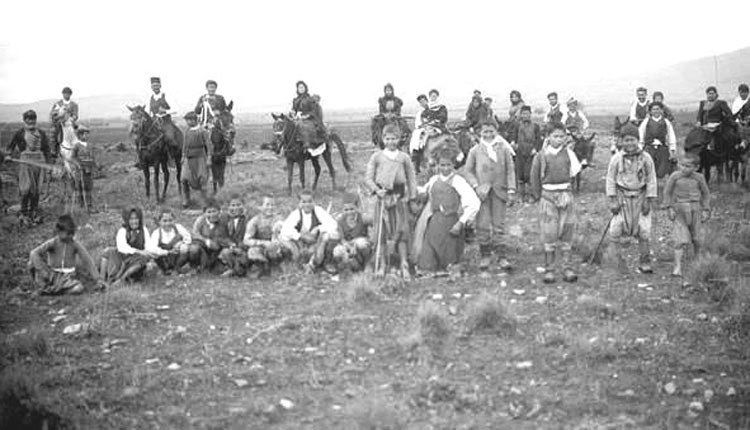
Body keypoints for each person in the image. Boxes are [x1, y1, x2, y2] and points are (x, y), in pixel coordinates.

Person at [414, 144, 480, 274]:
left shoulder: (458, 181)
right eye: (442, 165)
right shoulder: (433, 180)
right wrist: (413, 189)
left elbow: (473, 203)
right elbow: (424, 191)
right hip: (435, 221)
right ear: (437, 165)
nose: (445, 168)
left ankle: (450, 266)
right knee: (427, 259)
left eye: (448, 165)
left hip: (451, 222)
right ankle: (429, 266)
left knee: (449, 258)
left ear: (453, 165)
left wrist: (461, 223)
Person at [529, 123, 582, 283]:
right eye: (555, 136)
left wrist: (566, 192)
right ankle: (549, 269)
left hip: (565, 195)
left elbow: (573, 174)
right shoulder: (541, 156)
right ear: (548, 137)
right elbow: (534, 177)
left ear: (565, 137)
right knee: (549, 232)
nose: (558, 139)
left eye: (561, 136)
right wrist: (539, 196)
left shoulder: (569, 154)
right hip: (547, 197)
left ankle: (567, 267)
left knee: (567, 230)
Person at [365, 124, 418, 279]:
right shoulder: (377, 157)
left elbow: (411, 178)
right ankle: (382, 264)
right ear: (383, 139)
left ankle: (403, 263)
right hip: (382, 199)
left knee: (401, 231)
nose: (391, 142)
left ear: (399, 139)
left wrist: (412, 196)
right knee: (382, 232)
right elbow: (368, 177)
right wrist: (376, 189)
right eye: (388, 138)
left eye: (394, 138)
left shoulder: (404, 157)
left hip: (399, 198)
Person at [464, 120, 516, 271]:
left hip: (500, 191)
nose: (488, 134)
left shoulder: (504, 149)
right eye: (485, 132)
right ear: (480, 133)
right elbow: (468, 171)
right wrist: (476, 186)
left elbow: (510, 170)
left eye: (491, 131)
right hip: (482, 194)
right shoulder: (475, 150)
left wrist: (511, 189)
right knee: (482, 225)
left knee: (499, 225)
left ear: (496, 132)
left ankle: (501, 256)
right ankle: (485, 255)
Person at [606, 123, 657, 274]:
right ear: (621, 141)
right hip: (622, 197)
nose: (629, 143)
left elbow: (651, 179)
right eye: (626, 140)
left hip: (641, 196)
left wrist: (649, 200)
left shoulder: (646, 158)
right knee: (616, 229)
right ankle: (617, 260)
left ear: (638, 140)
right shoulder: (616, 158)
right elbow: (610, 179)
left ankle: (645, 261)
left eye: (633, 140)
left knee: (644, 230)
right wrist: (613, 200)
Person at [28, 214, 103, 295]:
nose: (70, 236)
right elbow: (34, 253)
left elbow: (87, 260)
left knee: (78, 288)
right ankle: (44, 288)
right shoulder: (53, 242)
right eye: (68, 233)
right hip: (51, 276)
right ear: (59, 232)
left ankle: (55, 291)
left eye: (72, 233)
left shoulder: (74, 244)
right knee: (31, 264)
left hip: (67, 278)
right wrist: (42, 270)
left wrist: (97, 278)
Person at [663, 153, 710, 278]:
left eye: (688, 166)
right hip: (680, 210)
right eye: (682, 165)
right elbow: (667, 192)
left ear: (696, 167)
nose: (684, 168)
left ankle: (697, 261)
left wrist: (706, 209)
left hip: (696, 209)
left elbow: (705, 194)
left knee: (697, 238)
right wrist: (669, 208)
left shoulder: (699, 177)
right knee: (679, 239)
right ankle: (677, 266)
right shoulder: (675, 176)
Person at [279, 189, 339, 273]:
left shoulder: (318, 210)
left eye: (310, 201)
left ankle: (326, 262)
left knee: (332, 234)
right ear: (300, 203)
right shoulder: (296, 213)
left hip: (316, 243)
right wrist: (300, 236)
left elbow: (333, 224)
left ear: (314, 202)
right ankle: (293, 261)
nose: (307, 204)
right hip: (301, 244)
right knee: (283, 237)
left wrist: (318, 228)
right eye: (304, 202)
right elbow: (285, 230)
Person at [7, 110, 51, 223]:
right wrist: (8, 155)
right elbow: (11, 147)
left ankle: (34, 212)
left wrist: (49, 164)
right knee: (26, 188)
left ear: (35, 120)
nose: (31, 121)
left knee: (36, 190)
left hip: (39, 163)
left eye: (33, 119)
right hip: (25, 163)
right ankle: (23, 213)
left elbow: (46, 149)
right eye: (28, 119)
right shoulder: (20, 133)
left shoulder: (41, 133)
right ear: (24, 120)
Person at [100, 207, 153, 286]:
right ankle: (101, 280)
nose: (134, 221)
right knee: (108, 251)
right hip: (124, 257)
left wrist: (144, 253)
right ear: (126, 220)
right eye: (131, 219)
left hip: (137, 259)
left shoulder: (143, 230)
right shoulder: (122, 231)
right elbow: (122, 247)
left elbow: (148, 247)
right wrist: (138, 251)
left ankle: (121, 280)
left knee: (143, 259)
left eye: (136, 219)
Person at [147, 208, 200, 275]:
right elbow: (151, 248)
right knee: (153, 253)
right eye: (165, 221)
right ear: (159, 222)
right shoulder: (157, 233)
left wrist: (181, 244)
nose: (168, 223)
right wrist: (167, 252)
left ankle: (179, 267)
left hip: (177, 256)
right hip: (165, 257)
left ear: (174, 220)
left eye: (170, 220)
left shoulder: (178, 227)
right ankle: (164, 269)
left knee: (189, 248)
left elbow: (188, 237)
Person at [244, 194, 285, 278]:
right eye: (267, 205)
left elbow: (282, 234)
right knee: (253, 251)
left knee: (278, 248)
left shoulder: (279, 219)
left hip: (276, 247)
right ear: (260, 207)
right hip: (261, 247)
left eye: (272, 205)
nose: (270, 207)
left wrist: (276, 240)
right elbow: (246, 240)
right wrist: (262, 243)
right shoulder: (255, 220)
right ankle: (261, 266)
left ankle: (275, 267)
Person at [332, 193, 372, 273]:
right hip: (347, 244)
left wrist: (355, 245)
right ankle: (347, 266)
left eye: (352, 209)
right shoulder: (340, 220)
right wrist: (348, 247)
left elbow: (374, 226)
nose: (349, 212)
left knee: (361, 243)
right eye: (346, 210)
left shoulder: (363, 218)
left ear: (357, 208)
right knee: (337, 251)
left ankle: (368, 263)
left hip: (360, 243)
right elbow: (342, 238)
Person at [510, 106, 543, 203]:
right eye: (523, 113)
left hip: (531, 152)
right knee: (520, 173)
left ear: (530, 114)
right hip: (520, 151)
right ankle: (521, 196)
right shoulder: (517, 125)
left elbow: (538, 140)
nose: (525, 116)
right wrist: (513, 142)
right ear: (520, 115)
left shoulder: (536, 126)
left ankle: (532, 195)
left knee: (530, 173)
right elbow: (514, 136)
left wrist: (535, 149)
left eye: (527, 113)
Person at [639, 101, 677, 184]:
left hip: (662, 148)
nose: (656, 111)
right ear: (650, 111)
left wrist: (672, 150)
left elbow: (671, 137)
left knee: (661, 171)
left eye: (657, 109)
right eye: (653, 109)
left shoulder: (666, 122)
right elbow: (641, 136)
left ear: (661, 110)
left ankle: (659, 184)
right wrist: (640, 149)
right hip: (649, 148)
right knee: (648, 168)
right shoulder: (646, 122)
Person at [181, 112, 212, 208]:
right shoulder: (187, 131)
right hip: (189, 159)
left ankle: (204, 201)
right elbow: (185, 145)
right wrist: (183, 156)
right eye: (187, 120)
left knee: (202, 179)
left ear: (194, 120)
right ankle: (186, 199)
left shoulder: (202, 131)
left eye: (189, 120)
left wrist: (209, 158)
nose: (188, 122)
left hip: (200, 158)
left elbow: (208, 144)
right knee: (184, 179)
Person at [192, 198, 231, 272]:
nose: (212, 214)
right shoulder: (200, 221)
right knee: (194, 249)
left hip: (218, 247)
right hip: (203, 246)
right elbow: (195, 234)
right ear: (204, 213)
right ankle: (196, 265)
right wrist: (206, 241)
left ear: (219, 211)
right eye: (209, 212)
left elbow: (226, 236)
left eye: (214, 211)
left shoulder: (223, 221)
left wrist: (219, 242)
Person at [218, 194, 250, 277]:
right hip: (231, 246)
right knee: (226, 252)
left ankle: (239, 270)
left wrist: (241, 246)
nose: (236, 208)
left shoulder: (247, 218)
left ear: (243, 206)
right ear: (228, 207)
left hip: (244, 246)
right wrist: (231, 245)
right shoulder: (224, 218)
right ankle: (234, 269)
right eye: (233, 205)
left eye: (238, 205)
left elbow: (249, 235)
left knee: (243, 255)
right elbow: (222, 235)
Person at [146, 77, 179, 152]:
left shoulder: (166, 96)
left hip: (166, 122)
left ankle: (172, 157)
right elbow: (148, 112)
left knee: (170, 137)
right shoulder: (150, 98)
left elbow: (176, 109)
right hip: (154, 123)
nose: (155, 88)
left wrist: (165, 111)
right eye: (154, 86)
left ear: (160, 86)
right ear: (151, 87)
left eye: (157, 85)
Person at [371, 83, 408, 148]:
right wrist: (385, 114)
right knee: (376, 122)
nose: (388, 92)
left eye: (390, 90)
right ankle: (376, 138)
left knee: (403, 123)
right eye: (387, 91)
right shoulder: (382, 100)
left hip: (394, 116)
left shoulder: (397, 100)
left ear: (392, 91)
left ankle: (403, 136)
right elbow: (381, 110)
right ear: (385, 91)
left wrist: (394, 114)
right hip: (385, 116)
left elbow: (398, 110)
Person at [291, 81, 326, 149]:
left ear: (305, 88)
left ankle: (307, 144)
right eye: (299, 87)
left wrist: (305, 116)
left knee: (301, 125)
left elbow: (313, 111)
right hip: (297, 118)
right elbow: (294, 109)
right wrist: (293, 113)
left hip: (309, 119)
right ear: (297, 89)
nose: (301, 89)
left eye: (302, 87)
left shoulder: (309, 99)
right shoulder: (295, 100)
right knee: (288, 125)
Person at [70, 125, 97, 212]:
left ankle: (89, 206)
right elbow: (72, 157)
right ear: (80, 135)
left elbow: (92, 157)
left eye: (87, 134)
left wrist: (95, 166)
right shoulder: (77, 146)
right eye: (84, 134)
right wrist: (77, 164)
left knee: (89, 187)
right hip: (80, 171)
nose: (86, 136)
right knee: (80, 187)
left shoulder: (90, 145)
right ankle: (81, 206)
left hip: (89, 170)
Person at [49, 87, 79, 156]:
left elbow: (75, 115)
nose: (67, 95)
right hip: (59, 122)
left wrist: (72, 119)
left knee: (78, 133)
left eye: (68, 94)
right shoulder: (58, 104)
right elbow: (53, 114)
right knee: (53, 132)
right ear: (63, 94)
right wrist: (57, 117)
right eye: (65, 93)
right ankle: (53, 149)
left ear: (70, 94)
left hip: (69, 122)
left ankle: (77, 149)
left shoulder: (74, 105)